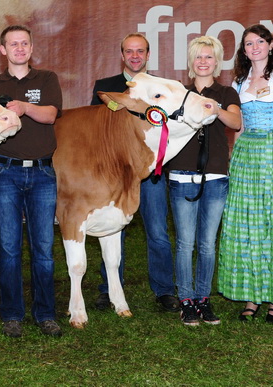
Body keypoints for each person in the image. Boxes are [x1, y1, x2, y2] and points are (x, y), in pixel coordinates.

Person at [218, 24, 273, 323]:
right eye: (248, 44)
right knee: (247, 225)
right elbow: (240, 127)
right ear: (243, 50)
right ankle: (252, 294)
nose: (254, 47)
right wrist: (232, 158)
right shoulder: (239, 81)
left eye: (259, 42)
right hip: (246, 156)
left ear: (270, 45)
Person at [0, 25, 63, 338]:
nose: (19, 48)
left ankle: (45, 314)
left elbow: (51, 115)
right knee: (8, 247)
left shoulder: (46, 79)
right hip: (4, 172)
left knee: (43, 248)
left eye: (24, 43)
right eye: (13, 44)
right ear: (2, 49)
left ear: (31, 48)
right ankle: (12, 315)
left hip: (42, 172)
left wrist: (25, 106)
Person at [90, 33, 179, 313]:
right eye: (130, 51)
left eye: (140, 51)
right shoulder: (105, 88)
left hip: (150, 172)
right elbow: (96, 128)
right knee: (111, 230)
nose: (135, 56)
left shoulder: (160, 88)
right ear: (122, 55)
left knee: (158, 232)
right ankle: (109, 289)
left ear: (148, 54)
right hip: (115, 173)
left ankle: (164, 290)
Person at [167, 36, 241, 326]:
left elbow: (235, 123)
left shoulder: (225, 92)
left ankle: (203, 299)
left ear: (217, 62)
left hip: (216, 176)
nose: (203, 62)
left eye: (209, 57)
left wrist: (214, 108)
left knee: (207, 243)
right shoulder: (178, 92)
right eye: (198, 57)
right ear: (190, 61)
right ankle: (186, 300)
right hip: (182, 174)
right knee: (185, 243)